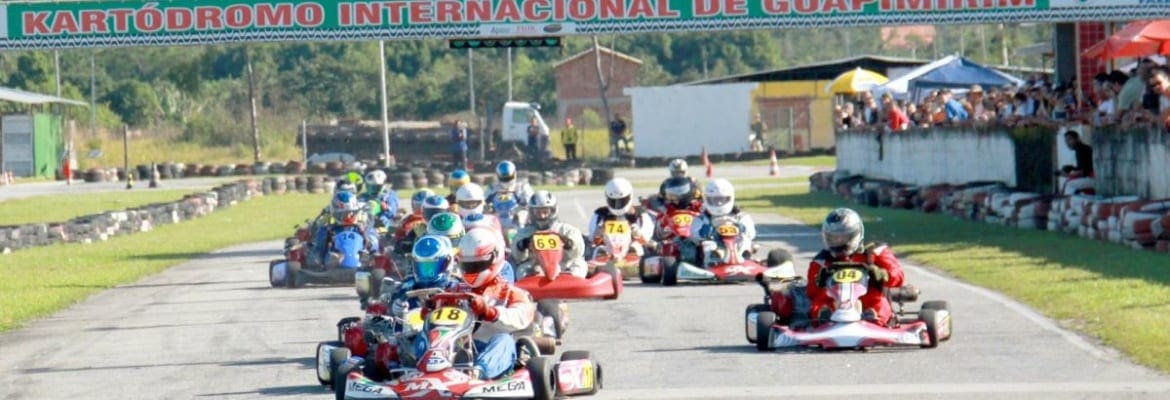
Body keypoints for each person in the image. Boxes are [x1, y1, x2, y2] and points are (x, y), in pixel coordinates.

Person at [452, 228, 536, 380]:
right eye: (467, 266)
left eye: (477, 265)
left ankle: (477, 374)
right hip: (456, 349)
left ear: (494, 259)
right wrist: (429, 311)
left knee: (504, 340)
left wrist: (490, 312)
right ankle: (415, 369)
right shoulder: (454, 291)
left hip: (492, 351)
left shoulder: (509, 292)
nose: (471, 270)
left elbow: (522, 317)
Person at [806, 208, 905, 327]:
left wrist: (882, 274)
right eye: (834, 238)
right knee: (820, 303)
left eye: (844, 237)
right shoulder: (821, 261)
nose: (839, 241)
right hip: (835, 300)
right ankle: (824, 320)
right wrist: (820, 279)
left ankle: (873, 320)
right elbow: (812, 293)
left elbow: (898, 274)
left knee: (879, 301)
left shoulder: (874, 252)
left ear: (856, 234)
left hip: (866, 297)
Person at [511, 191, 588, 278]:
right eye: (538, 212)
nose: (542, 216)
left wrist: (567, 243)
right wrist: (523, 244)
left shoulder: (567, 230)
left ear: (553, 211)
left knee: (579, 264)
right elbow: (517, 256)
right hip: (536, 267)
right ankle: (534, 281)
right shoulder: (524, 233)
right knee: (521, 270)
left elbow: (578, 252)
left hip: (563, 265)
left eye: (545, 211)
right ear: (532, 212)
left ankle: (571, 280)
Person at [387, 235, 463, 317]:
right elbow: (390, 307)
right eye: (422, 267)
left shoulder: (456, 287)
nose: (427, 273)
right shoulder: (408, 286)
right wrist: (395, 307)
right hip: (411, 324)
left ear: (447, 263)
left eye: (431, 268)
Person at [689, 179, 757, 267]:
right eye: (714, 200)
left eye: (722, 199)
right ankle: (712, 262)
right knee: (708, 245)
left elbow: (751, 233)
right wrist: (706, 231)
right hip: (714, 244)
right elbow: (694, 235)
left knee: (745, 241)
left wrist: (740, 228)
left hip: (736, 242)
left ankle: (745, 258)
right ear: (707, 199)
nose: (719, 203)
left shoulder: (741, 216)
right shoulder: (702, 218)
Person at [314, 191, 380, 267]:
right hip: (335, 258)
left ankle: (367, 259)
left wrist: (370, 243)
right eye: (343, 214)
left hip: (359, 254)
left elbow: (373, 234)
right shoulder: (330, 224)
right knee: (322, 234)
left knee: (372, 238)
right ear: (335, 213)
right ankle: (328, 261)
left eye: (351, 212)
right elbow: (317, 226)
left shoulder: (362, 223)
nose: (348, 217)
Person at [588, 178, 655, 251]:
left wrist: (637, 233)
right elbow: (592, 240)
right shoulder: (600, 214)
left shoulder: (640, 214)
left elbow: (646, 239)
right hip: (606, 252)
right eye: (613, 201)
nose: (617, 205)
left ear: (629, 196)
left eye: (622, 201)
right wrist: (598, 233)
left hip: (633, 252)